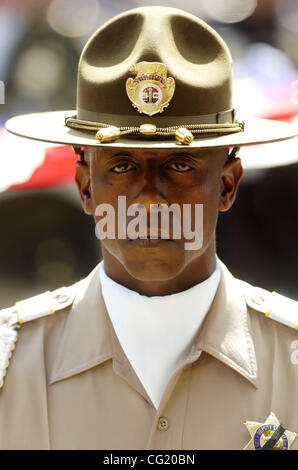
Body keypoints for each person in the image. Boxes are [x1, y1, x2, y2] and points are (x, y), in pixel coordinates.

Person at [1, 6, 298, 450]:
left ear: (228, 184)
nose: (150, 198)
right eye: (122, 166)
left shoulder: (291, 364)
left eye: (180, 165)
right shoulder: (9, 368)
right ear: (85, 188)